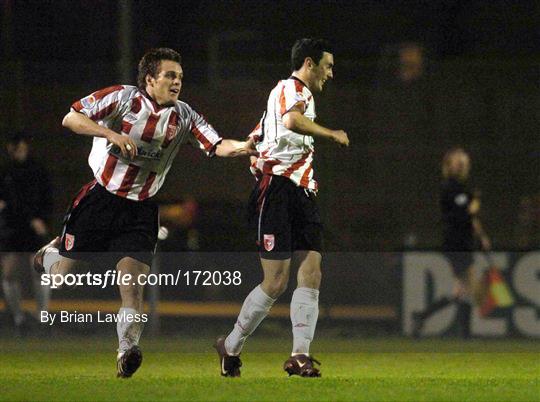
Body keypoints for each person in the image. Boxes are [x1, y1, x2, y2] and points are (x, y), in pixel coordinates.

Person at [33, 48, 255, 378]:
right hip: (100, 201)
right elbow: (71, 117)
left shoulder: (184, 115)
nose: (177, 81)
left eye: (179, 76)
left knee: (132, 286)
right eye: (169, 75)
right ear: (150, 79)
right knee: (59, 276)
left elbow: (216, 144)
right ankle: (51, 252)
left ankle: (126, 351)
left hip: (140, 211)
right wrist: (110, 133)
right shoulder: (122, 99)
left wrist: (243, 147)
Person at [215, 38, 349, 378]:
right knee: (275, 283)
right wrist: (330, 133)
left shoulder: (286, 97)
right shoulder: (293, 89)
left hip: (302, 192)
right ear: (309, 63)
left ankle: (300, 355)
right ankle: (230, 345)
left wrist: (252, 150)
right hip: (276, 192)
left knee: (312, 271)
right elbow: (290, 122)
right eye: (328, 66)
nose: (331, 73)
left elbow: (260, 135)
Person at [412, 148, 491, 338]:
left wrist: (481, 236)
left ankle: (422, 316)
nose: (462, 163)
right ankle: (466, 334)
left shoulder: (463, 188)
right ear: (448, 165)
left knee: (460, 290)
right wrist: (473, 207)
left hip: (464, 242)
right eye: (457, 161)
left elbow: (471, 217)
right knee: (471, 287)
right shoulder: (449, 187)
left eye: (463, 161)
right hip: (456, 243)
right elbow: (463, 214)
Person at [0, 133, 53, 335]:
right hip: (12, 227)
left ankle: (42, 318)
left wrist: (43, 221)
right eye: (14, 149)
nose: (18, 153)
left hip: (33, 227)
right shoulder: (5, 172)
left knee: (39, 270)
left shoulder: (37, 170)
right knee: (9, 273)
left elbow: (47, 198)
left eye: (21, 148)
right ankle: (19, 320)